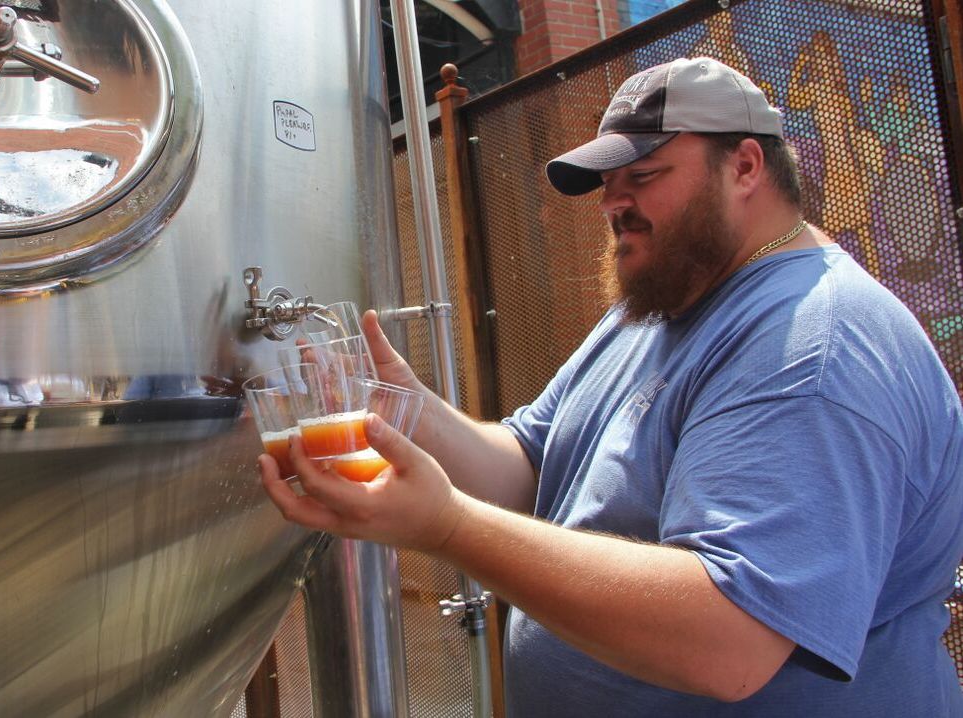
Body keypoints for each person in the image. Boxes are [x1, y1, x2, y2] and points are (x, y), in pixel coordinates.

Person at [259, 57, 963, 716]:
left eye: (643, 175)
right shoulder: (658, 307)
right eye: (605, 183)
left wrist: (447, 527)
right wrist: (405, 413)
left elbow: (731, 642)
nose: (611, 203)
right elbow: (531, 469)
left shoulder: (810, 344)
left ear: (744, 165)